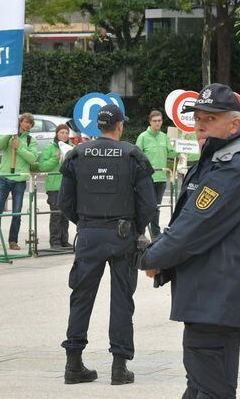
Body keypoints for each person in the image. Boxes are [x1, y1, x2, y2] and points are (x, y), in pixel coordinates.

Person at [136, 83, 240, 399]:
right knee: (201, 388)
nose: (201, 124)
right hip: (222, 297)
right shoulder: (236, 161)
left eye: (211, 118)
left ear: (235, 124)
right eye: (198, 117)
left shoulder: (233, 169)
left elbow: (190, 229)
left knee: (211, 390)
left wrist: (148, 258)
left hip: (215, 301)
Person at [58, 104, 156, 385]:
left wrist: (85, 223)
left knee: (81, 297)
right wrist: (135, 227)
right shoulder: (133, 154)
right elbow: (148, 203)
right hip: (122, 234)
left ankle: (73, 365)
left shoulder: (77, 153)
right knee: (122, 299)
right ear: (120, 126)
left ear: (97, 126)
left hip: (88, 234)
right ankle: (119, 367)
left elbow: (64, 202)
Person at [0, 113, 38, 251]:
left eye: (30, 123)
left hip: (19, 180)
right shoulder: (10, 135)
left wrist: (19, 148)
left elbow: (32, 158)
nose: (27, 125)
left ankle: (13, 240)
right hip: (4, 177)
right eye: (26, 122)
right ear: (20, 122)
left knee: (16, 212)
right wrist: (9, 134)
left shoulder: (30, 140)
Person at [135, 110, 176, 240]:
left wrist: (182, 152)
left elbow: (171, 153)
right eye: (155, 121)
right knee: (146, 206)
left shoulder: (164, 136)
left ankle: (155, 233)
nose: (157, 123)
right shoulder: (143, 137)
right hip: (147, 178)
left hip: (162, 178)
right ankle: (140, 231)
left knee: (156, 207)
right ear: (150, 122)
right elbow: (136, 156)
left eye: (159, 120)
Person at [38, 123, 73, 249]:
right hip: (54, 186)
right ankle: (55, 241)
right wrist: (55, 158)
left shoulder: (71, 147)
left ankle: (64, 240)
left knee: (65, 215)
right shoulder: (49, 148)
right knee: (56, 215)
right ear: (57, 134)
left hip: (67, 186)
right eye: (62, 132)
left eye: (66, 133)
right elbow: (42, 166)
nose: (64, 135)